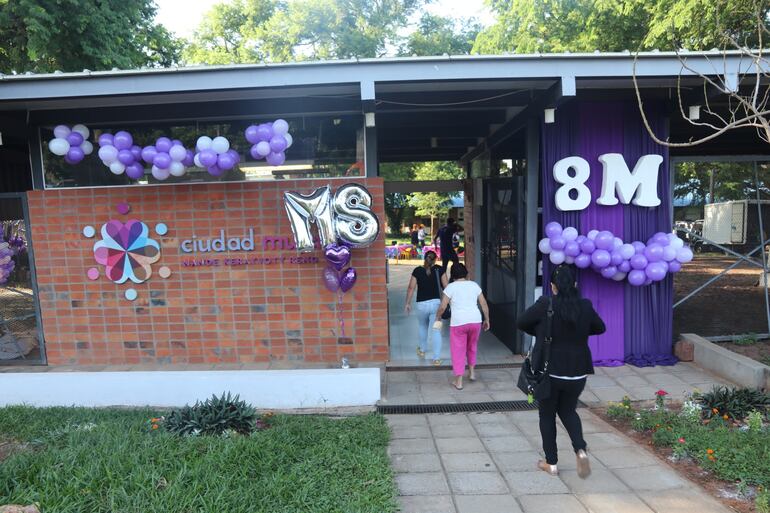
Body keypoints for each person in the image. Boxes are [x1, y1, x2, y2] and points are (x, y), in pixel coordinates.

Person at [516, 264, 606, 479]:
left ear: (552, 286)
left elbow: (521, 323)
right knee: (568, 411)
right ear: (575, 284)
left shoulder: (545, 304)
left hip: (550, 371)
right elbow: (600, 327)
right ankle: (580, 449)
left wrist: (540, 331)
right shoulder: (584, 305)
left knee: (547, 414)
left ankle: (551, 462)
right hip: (578, 372)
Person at [434, 263, 490, 389]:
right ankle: (472, 373)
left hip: (459, 323)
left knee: (458, 351)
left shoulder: (450, 287)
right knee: (472, 346)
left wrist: (438, 317)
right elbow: (484, 304)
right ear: (466, 273)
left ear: (452, 275)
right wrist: (487, 319)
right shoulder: (474, 285)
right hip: (475, 321)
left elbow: (443, 307)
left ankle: (458, 382)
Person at [404, 251, 448, 365]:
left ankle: (422, 350)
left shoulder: (417, 270)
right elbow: (447, 288)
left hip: (421, 305)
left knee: (423, 326)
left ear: (424, 258)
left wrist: (407, 303)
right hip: (436, 304)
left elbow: (410, 288)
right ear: (435, 259)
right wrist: (447, 303)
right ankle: (436, 358)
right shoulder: (440, 269)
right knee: (436, 330)